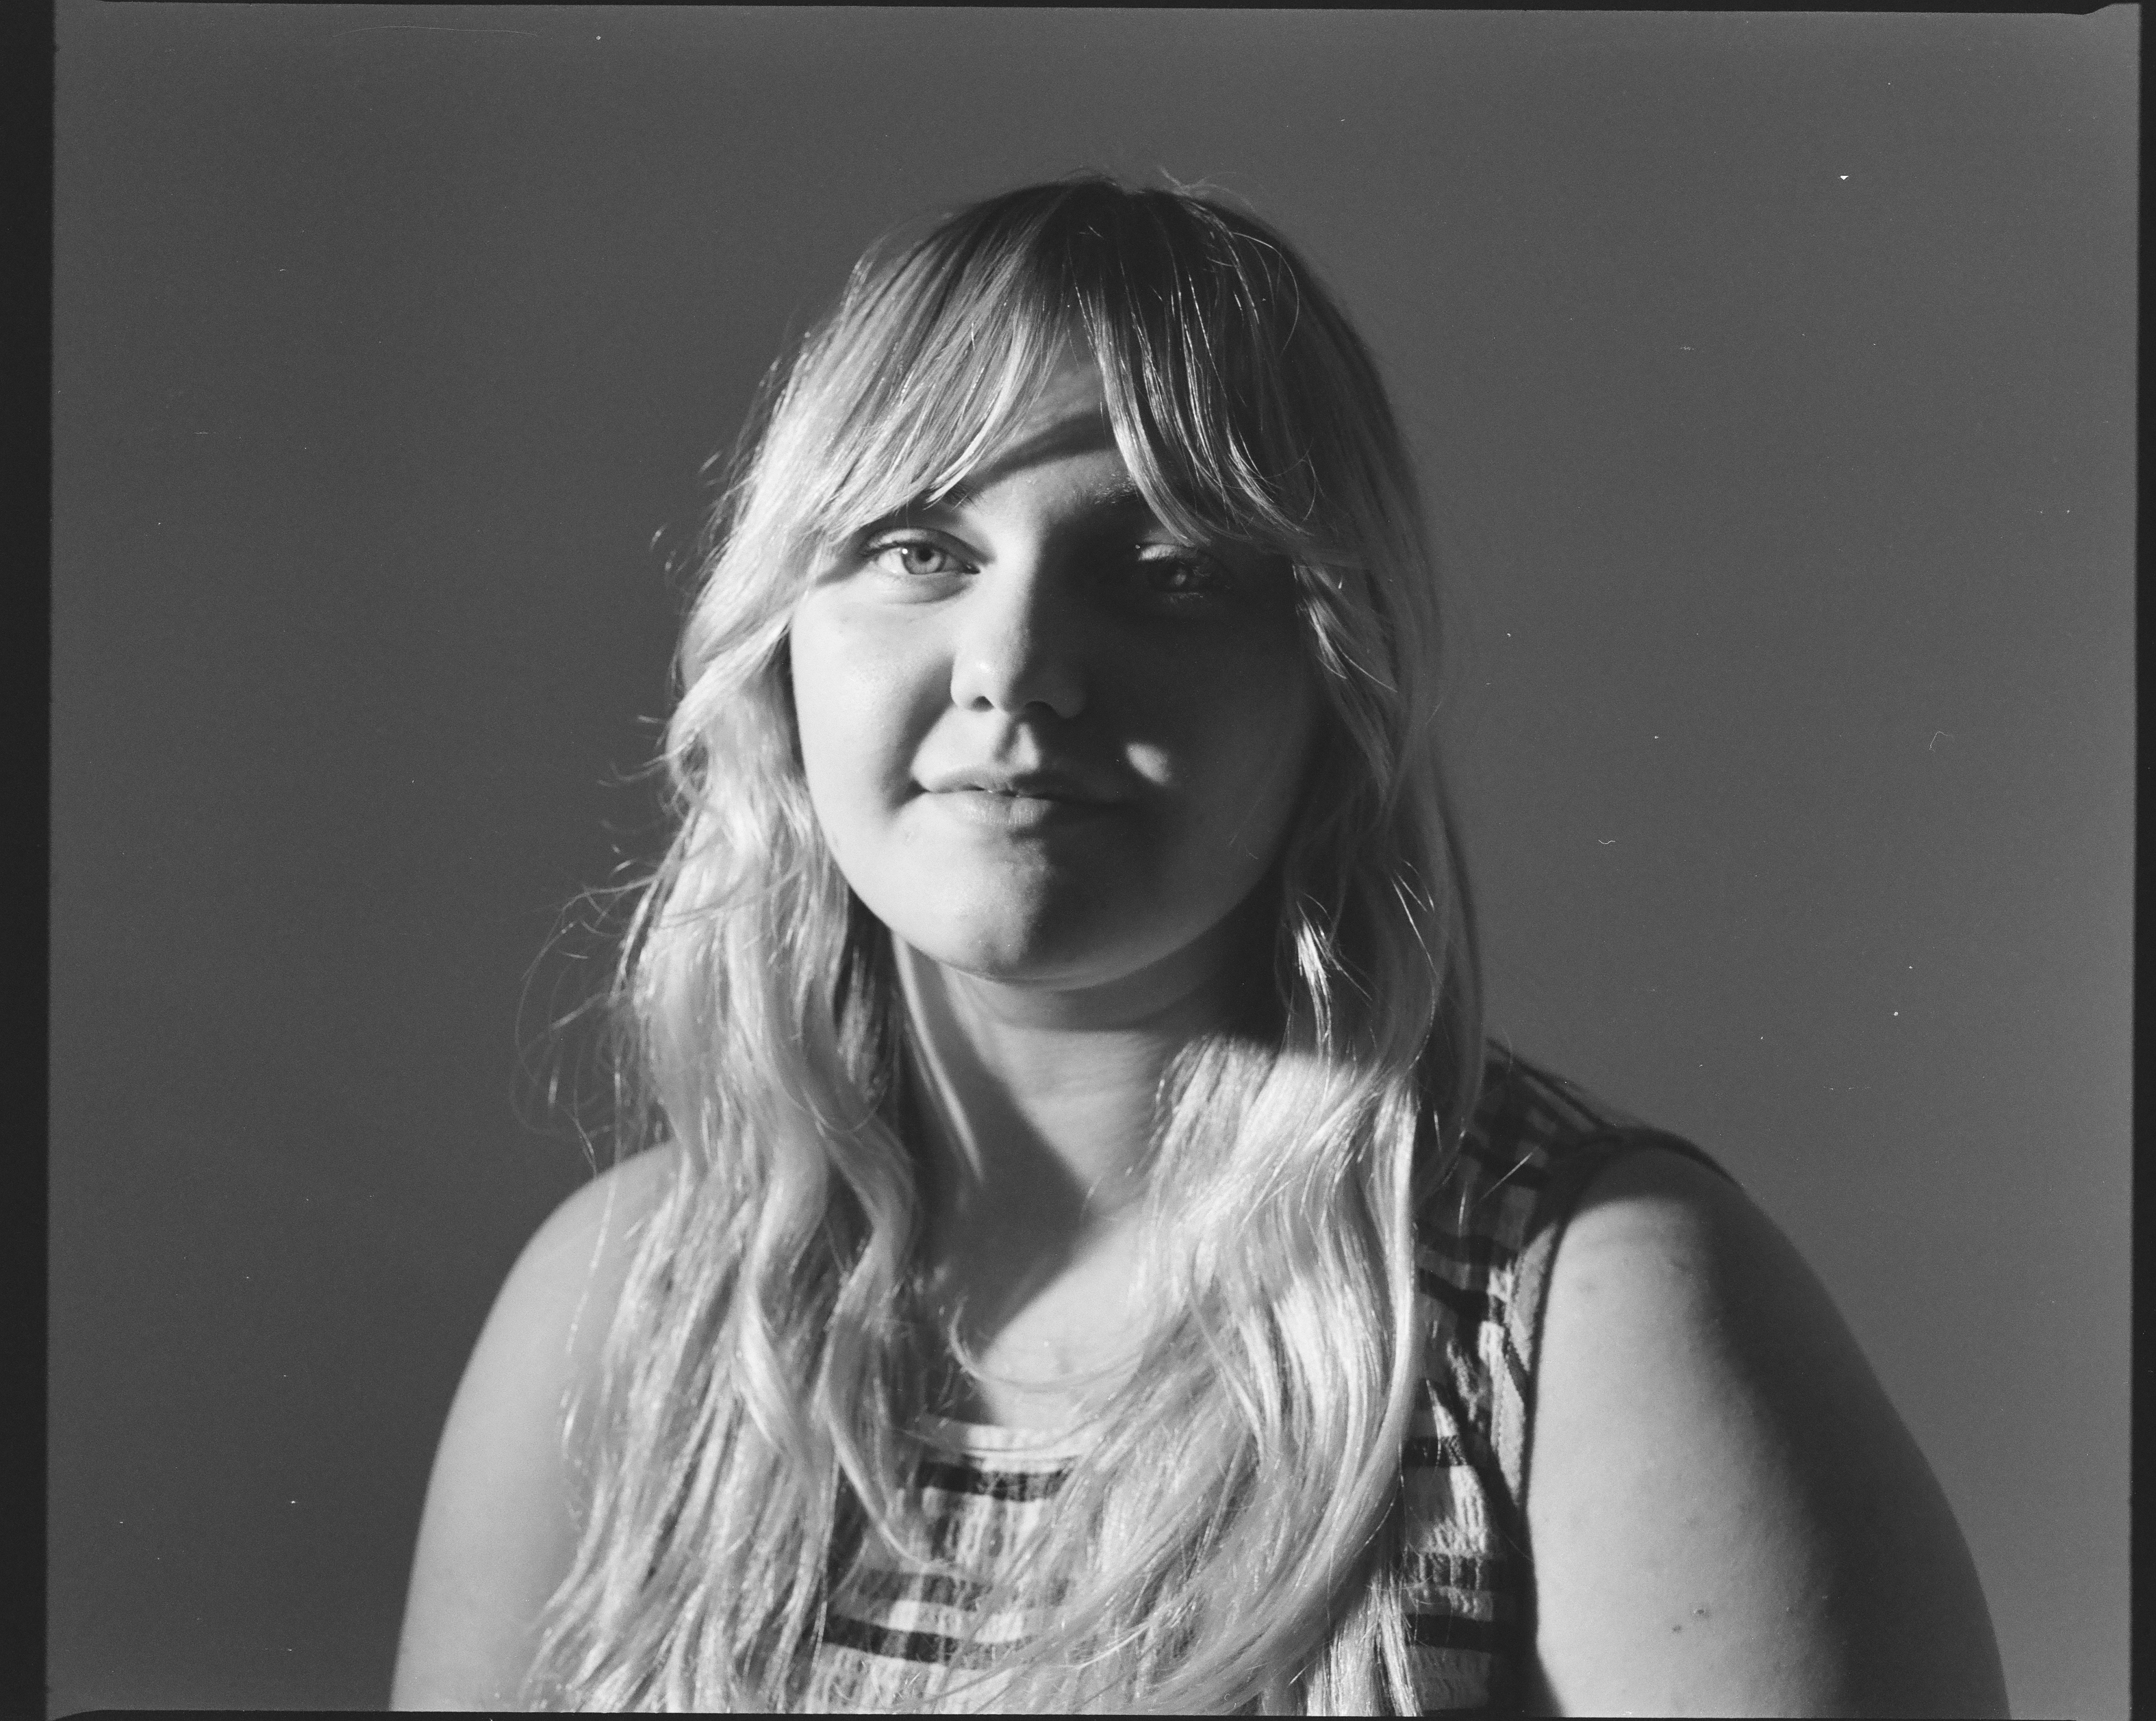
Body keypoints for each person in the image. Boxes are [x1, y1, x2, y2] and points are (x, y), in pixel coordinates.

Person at [390, 175, 2009, 1714]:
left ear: (1335, 678)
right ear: (780, 642)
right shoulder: (624, 1306)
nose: (1017, 668)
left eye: (1168, 568)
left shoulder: (1592, 1320)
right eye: (920, 551)